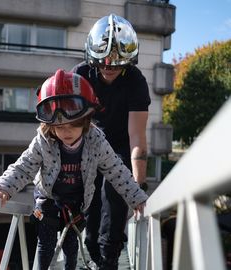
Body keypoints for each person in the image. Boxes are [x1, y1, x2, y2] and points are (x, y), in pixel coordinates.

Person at [0, 69, 148, 270]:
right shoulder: (42, 141)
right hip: (48, 198)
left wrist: (136, 197)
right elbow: (24, 166)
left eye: (73, 125)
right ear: (49, 124)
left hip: (77, 201)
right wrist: (5, 187)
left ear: (86, 120)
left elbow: (116, 170)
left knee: (71, 245)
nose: (66, 132)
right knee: (45, 243)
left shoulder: (96, 141)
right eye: (59, 126)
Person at [72, 13, 151, 269]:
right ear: (92, 58)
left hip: (120, 146)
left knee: (115, 192)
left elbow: (137, 136)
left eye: (116, 64)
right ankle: (93, 248)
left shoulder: (136, 81)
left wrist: (137, 185)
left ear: (128, 61)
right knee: (91, 201)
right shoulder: (81, 75)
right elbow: (69, 124)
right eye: (104, 63)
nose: (109, 67)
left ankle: (110, 257)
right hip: (89, 143)